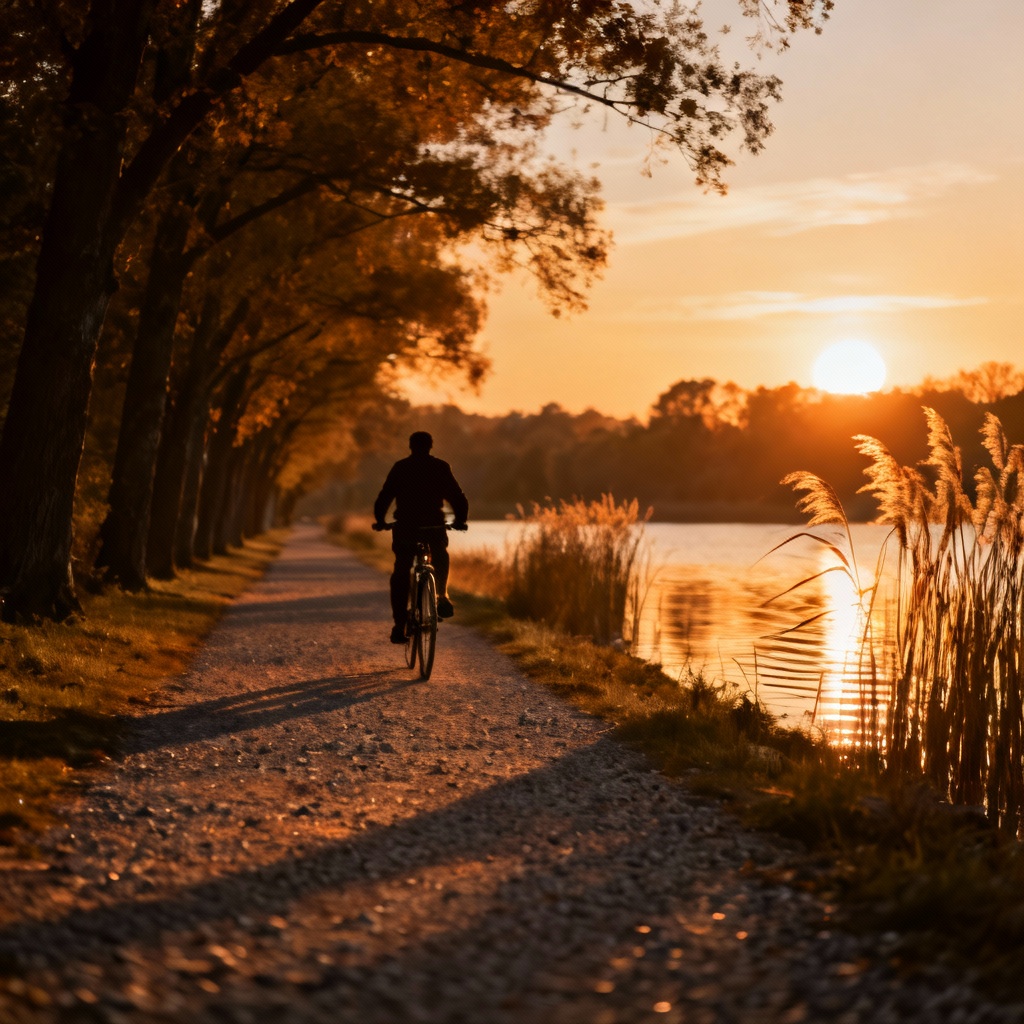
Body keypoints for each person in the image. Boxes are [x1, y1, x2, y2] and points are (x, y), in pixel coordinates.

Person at [372, 431, 468, 643]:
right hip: (433, 525)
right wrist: (460, 520)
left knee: (401, 570)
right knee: (440, 552)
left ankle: (399, 624)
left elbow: (385, 496)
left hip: (405, 526)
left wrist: (380, 520)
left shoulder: (400, 467)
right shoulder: (441, 467)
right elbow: (457, 497)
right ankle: (442, 595)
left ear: (410, 446)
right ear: (431, 446)